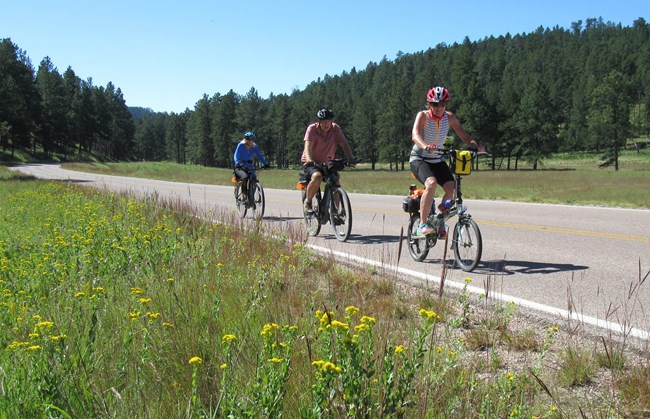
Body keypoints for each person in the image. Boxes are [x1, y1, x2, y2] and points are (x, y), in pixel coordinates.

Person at [410, 86, 485, 236]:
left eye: (443, 104)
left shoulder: (450, 118)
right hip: (420, 159)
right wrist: (426, 146)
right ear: (429, 104)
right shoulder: (423, 116)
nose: (439, 108)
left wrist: (477, 147)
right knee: (431, 183)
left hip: (437, 160)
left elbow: (465, 136)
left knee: (451, 188)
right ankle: (422, 226)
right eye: (435, 104)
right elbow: (415, 135)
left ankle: (439, 219)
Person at [300, 107, 356, 213]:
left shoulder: (335, 129)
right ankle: (308, 201)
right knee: (317, 176)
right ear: (319, 121)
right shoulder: (312, 129)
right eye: (324, 121)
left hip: (327, 163)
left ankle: (335, 212)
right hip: (311, 162)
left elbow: (344, 144)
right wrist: (309, 159)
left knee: (335, 181)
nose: (327, 124)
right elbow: (307, 146)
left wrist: (351, 158)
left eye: (329, 121)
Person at [233, 131, 269, 199]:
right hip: (240, 166)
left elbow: (260, 155)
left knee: (254, 178)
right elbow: (235, 155)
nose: (250, 141)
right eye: (248, 139)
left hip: (249, 166)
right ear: (245, 139)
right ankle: (244, 194)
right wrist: (237, 163)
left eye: (251, 139)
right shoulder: (240, 145)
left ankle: (251, 197)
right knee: (245, 177)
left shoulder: (254, 146)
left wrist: (265, 163)